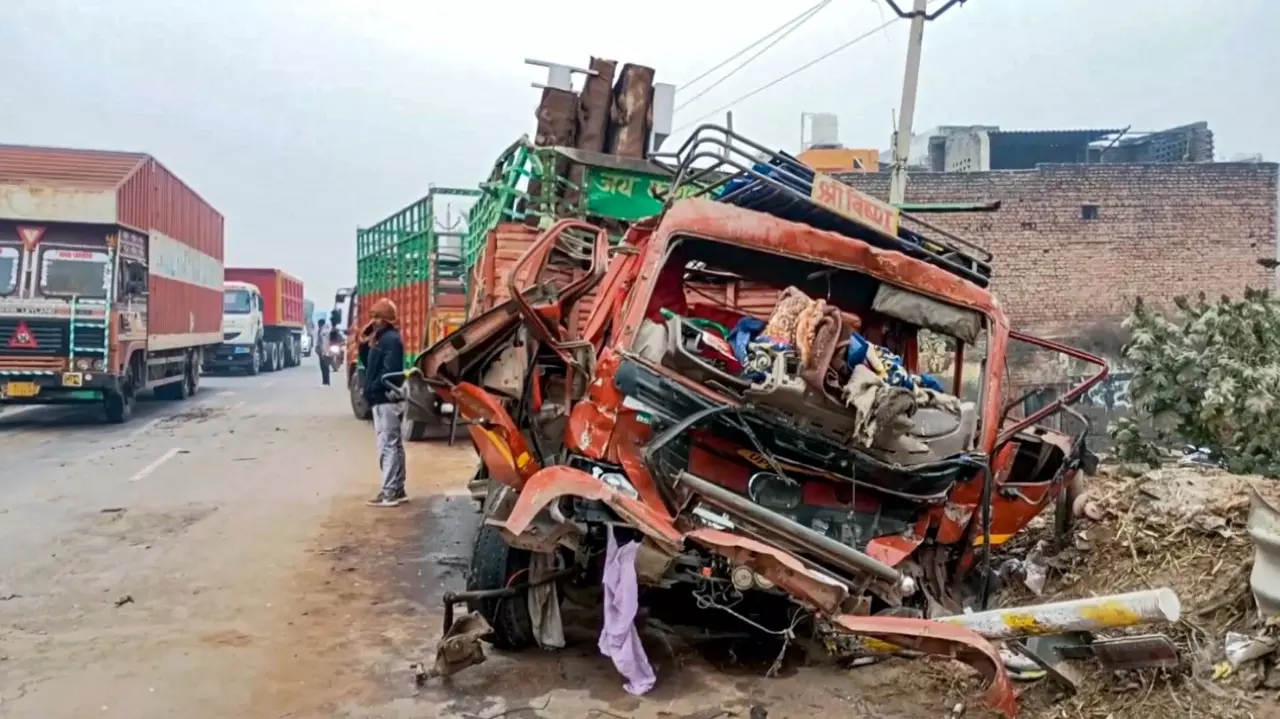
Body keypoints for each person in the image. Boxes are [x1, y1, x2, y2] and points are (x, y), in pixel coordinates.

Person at [362, 298, 408, 507]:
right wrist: (365, 345)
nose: (373, 321)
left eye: (377, 317)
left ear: (386, 319)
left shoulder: (388, 340)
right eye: (372, 316)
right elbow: (371, 364)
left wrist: (373, 390)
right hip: (385, 399)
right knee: (394, 445)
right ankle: (397, 489)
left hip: (385, 400)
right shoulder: (382, 339)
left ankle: (390, 492)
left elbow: (388, 372)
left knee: (387, 446)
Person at [316, 318, 331, 386]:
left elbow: (324, 342)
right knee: (324, 367)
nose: (318, 325)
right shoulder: (322, 330)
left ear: (320, 324)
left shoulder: (324, 331)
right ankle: (325, 381)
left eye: (318, 324)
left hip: (324, 352)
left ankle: (326, 381)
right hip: (323, 351)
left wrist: (323, 352)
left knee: (324, 366)